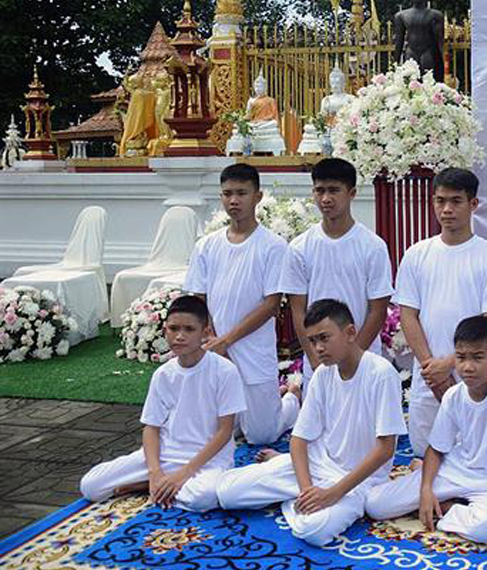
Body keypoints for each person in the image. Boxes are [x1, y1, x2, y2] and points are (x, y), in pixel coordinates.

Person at [216, 299, 406, 546]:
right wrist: (307, 490)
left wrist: (332, 494)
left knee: (313, 531)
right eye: (312, 340)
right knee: (227, 492)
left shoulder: (380, 374)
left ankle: (288, 486)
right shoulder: (322, 375)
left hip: (356, 481)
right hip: (316, 466)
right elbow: (299, 439)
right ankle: (292, 482)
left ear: (350, 333)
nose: (317, 348)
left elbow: (385, 450)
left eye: (324, 338)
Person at [365, 316, 487, 543]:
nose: (467, 367)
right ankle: (442, 497)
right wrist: (426, 489)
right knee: (375, 504)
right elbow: (437, 449)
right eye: (461, 357)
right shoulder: (453, 395)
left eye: (477, 358)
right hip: (454, 471)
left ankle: (449, 509)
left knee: (486, 530)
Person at [80, 295, 245, 511]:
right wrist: (155, 472)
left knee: (203, 498)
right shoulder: (163, 374)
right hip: (165, 455)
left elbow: (225, 432)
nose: (179, 336)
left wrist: (183, 474)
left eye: (189, 329)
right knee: (90, 486)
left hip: (207, 461)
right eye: (173, 328)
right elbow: (151, 427)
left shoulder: (225, 371)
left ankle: (155, 487)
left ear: (205, 332)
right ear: (165, 330)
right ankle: (155, 485)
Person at [395, 167, 487, 456]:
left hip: (473, 374)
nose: (446, 209)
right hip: (428, 374)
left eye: (456, 201)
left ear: (473, 204)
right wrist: (431, 368)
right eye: (440, 201)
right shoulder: (417, 254)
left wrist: (451, 364)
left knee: (476, 455)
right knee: (427, 455)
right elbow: (408, 314)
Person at [184, 163, 297, 445]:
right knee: (211, 432)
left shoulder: (273, 245)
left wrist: (228, 340)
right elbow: (198, 299)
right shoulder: (207, 245)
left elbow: (271, 305)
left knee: (262, 435)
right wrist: (210, 338)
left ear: (257, 197)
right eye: (227, 194)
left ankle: (293, 397)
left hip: (253, 349)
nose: (234, 201)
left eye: (242, 193)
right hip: (215, 348)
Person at [279, 157, 393, 382]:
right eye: (319, 191)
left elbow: (377, 309)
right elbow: (298, 310)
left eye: (334, 190)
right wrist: (314, 358)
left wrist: (352, 356)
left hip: (363, 360)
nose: (326, 199)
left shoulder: (372, 246)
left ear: (351, 193)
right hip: (319, 362)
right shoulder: (300, 247)